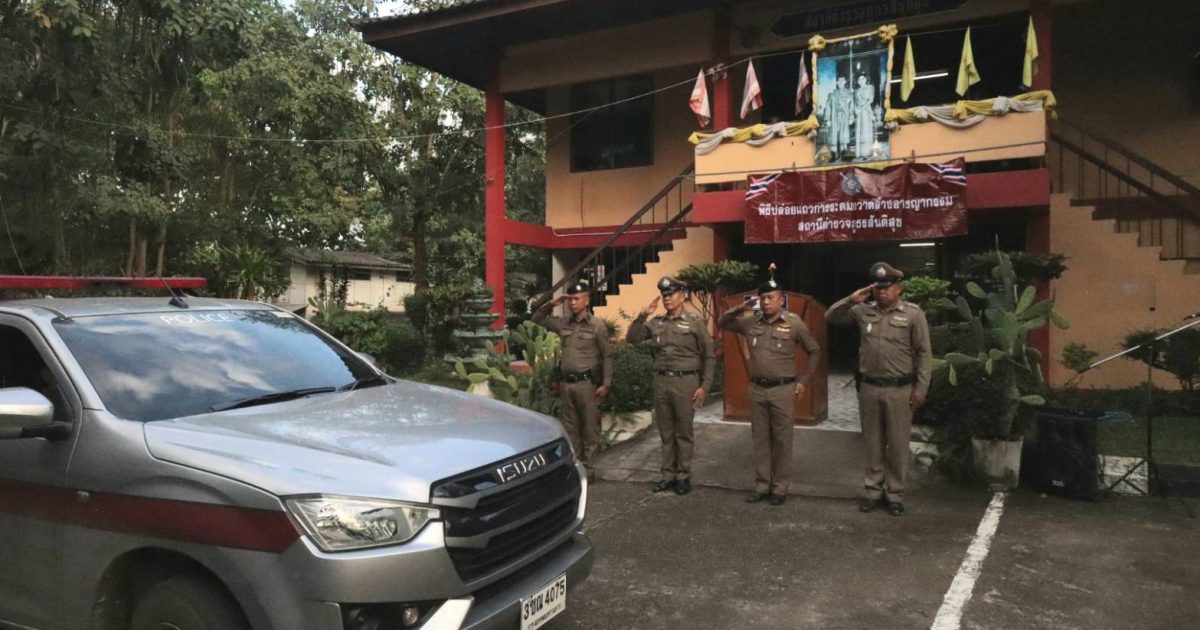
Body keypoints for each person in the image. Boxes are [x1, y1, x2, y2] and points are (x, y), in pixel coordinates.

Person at [825, 262, 932, 517]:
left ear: (899, 288)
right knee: (872, 443)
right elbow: (830, 317)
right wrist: (851, 299)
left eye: (888, 287)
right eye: (878, 288)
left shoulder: (913, 314)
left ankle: (895, 494)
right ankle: (873, 491)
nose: (882, 292)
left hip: (899, 390)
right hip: (869, 389)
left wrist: (921, 387)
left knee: (897, 444)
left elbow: (924, 353)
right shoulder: (863, 311)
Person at [718, 272, 821, 506]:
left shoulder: (793, 323)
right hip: (757, 389)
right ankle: (762, 485)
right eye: (762, 298)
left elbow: (814, 351)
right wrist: (739, 308)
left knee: (782, 441)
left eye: (771, 297)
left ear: (781, 300)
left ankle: (779, 487)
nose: (766, 302)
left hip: (783, 390)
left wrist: (803, 381)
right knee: (760, 439)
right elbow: (722, 322)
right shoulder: (751, 322)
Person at [626, 276, 714, 495]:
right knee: (666, 431)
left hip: (686, 382)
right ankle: (667, 475)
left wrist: (704, 386)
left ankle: (683, 476)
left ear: (682, 296)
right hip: (662, 381)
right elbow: (632, 339)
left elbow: (709, 356)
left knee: (683, 431)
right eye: (664, 295)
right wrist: (642, 315)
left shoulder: (694, 322)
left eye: (671, 294)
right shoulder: (656, 323)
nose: (667, 298)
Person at [532, 280, 612, 480]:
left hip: (587, 385)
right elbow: (537, 318)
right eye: (570, 299)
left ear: (586, 300)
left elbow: (606, 356)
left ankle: (589, 469)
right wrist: (553, 303)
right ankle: (576, 467)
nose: (573, 303)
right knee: (571, 428)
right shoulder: (564, 323)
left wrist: (606, 383)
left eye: (577, 299)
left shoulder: (597, 326)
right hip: (566, 384)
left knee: (589, 428)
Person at [822, 75, 854, 158]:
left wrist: (851, 117)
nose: (841, 82)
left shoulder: (849, 93)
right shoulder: (833, 94)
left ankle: (844, 152)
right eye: (839, 81)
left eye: (842, 81)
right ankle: (833, 153)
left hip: (844, 116)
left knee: (844, 134)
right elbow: (828, 106)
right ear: (837, 82)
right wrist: (828, 119)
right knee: (834, 134)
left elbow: (851, 106)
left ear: (845, 82)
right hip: (834, 117)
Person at [853, 74, 876, 159]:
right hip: (858, 112)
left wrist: (861, 109)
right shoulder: (856, 90)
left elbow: (870, 100)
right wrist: (856, 109)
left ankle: (867, 152)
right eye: (859, 79)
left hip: (866, 111)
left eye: (862, 79)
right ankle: (859, 153)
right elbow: (855, 102)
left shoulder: (870, 88)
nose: (861, 80)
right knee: (859, 131)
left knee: (866, 130)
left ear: (866, 79)